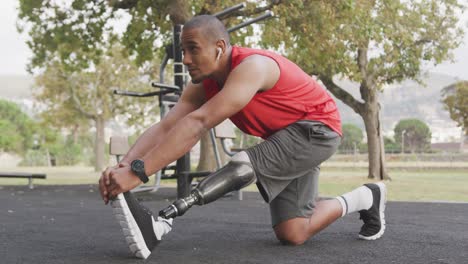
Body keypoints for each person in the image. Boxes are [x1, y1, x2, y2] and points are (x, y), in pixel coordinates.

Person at [99, 15, 387, 259]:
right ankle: (366, 197)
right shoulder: (202, 84)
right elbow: (168, 126)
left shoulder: (252, 67)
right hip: (285, 138)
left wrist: (140, 172)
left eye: (192, 49)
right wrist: (124, 166)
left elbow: (198, 123)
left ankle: (162, 221)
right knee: (293, 232)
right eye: (182, 51)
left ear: (219, 48)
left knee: (242, 166)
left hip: (316, 131)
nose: (185, 59)